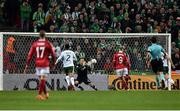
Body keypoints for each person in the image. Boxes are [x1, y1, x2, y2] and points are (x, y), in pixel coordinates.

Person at [24, 30, 56, 100]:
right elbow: (53, 54)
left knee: (42, 79)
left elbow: (30, 55)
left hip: (37, 63)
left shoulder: (35, 44)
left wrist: (27, 64)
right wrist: (53, 63)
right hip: (45, 63)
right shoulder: (48, 43)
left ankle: (46, 94)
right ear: (45, 35)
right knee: (42, 79)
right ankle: (39, 94)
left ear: (39, 35)